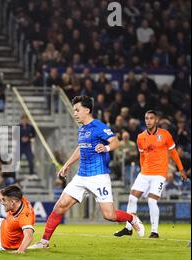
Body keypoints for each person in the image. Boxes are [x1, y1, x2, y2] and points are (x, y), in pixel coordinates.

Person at [29, 96, 145, 249]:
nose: (75, 113)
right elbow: (80, 148)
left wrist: (106, 148)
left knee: (109, 215)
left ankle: (132, 218)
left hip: (98, 176)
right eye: (74, 110)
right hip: (81, 176)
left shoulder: (98, 126)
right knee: (60, 206)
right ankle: (44, 242)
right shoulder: (82, 129)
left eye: (77, 110)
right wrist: (67, 164)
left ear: (87, 110)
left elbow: (115, 141)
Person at [114, 110, 187, 238]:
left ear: (156, 120)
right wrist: (143, 169)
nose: (148, 121)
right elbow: (141, 155)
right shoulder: (140, 137)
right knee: (132, 198)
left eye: (151, 118)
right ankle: (128, 228)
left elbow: (174, 153)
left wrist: (181, 169)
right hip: (145, 173)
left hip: (159, 174)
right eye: (146, 118)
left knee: (151, 201)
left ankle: (154, 232)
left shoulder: (165, 135)